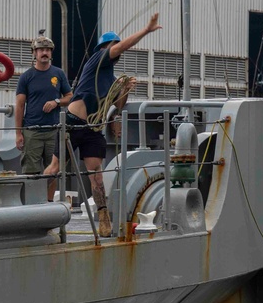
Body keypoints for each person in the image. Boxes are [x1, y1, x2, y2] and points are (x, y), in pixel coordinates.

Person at [62, 12, 162, 237]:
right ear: (104, 48)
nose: (115, 50)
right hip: (72, 123)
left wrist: (125, 89)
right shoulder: (97, 60)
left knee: (95, 174)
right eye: (112, 46)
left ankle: (103, 216)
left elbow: (116, 105)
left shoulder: (111, 78)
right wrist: (146, 31)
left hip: (93, 128)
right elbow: (121, 47)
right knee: (54, 168)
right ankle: (45, 211)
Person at [15, 34, 72, 200]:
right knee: (31, 171)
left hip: (54, 130)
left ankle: (47, 204)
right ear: (34, 53)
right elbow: (19, 106)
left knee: (53, 170)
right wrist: (18, 133)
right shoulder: (26, 77)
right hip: (32, 130)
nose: (44, 53)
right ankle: (33, 206)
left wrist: (56, 102)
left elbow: (69, 96)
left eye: (47, 50)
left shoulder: (58, 74)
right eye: (41, 50)